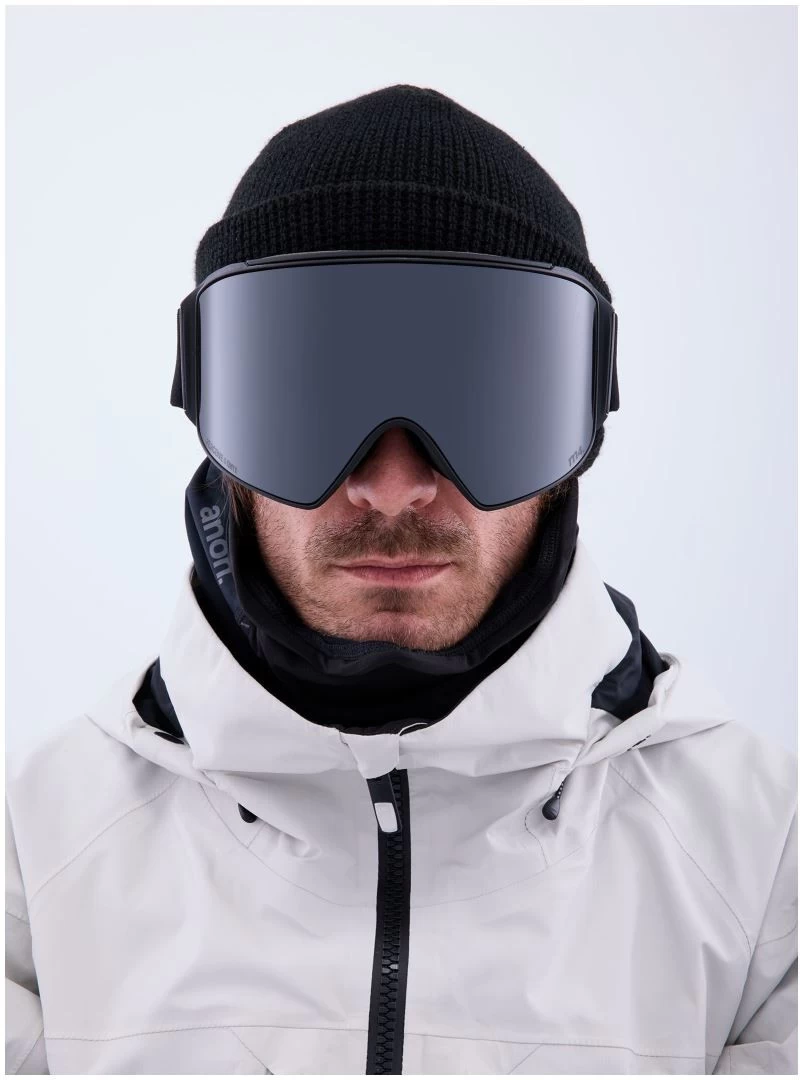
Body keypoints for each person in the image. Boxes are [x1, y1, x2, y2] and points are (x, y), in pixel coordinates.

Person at [6, 84, 796, 1076]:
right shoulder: (39, 853)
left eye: (480, 404)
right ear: (210, 410)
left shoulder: (759, 855)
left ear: (579, 427)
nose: (391, 487)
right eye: (309, 399)